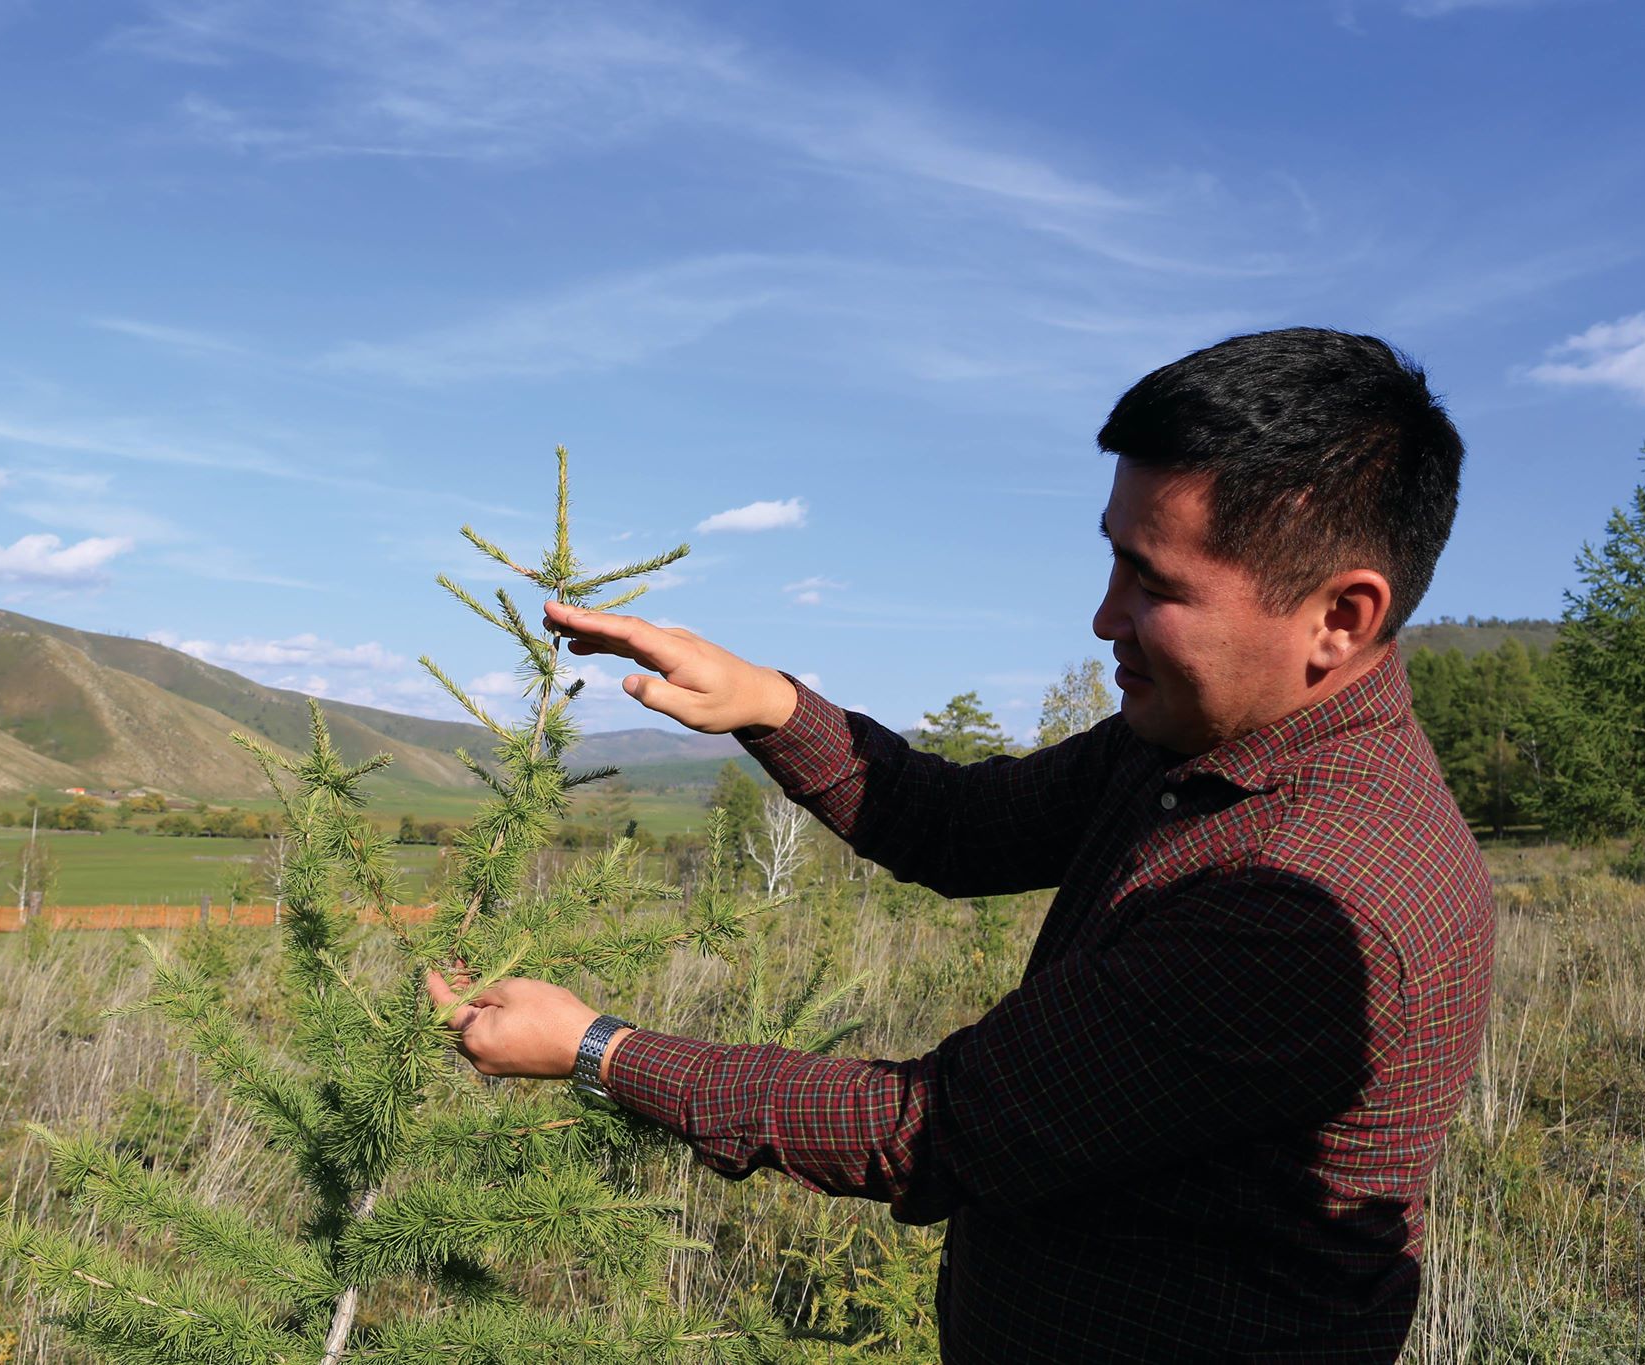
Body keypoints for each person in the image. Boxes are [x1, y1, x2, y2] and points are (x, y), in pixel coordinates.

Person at [425, 328, 1495, 1363]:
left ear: (1341, 616)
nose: (1104, 618)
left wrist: (597, 1050)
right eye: (1112, 558)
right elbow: (961, 826)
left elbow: (934, 1129)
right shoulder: (1196, 741)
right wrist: (766, 702)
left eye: (1155, 584)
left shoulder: (1305, 900)